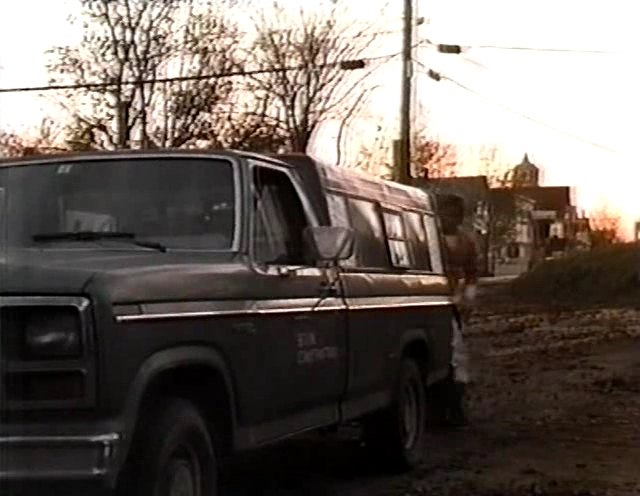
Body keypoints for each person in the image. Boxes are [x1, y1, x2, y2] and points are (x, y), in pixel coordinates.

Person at [437, 194, 478, 427]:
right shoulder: (427, 236)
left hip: (454, 300)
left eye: (456, 214)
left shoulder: (466, 241)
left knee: (458, 354)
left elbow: (472, 272)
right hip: (433, 298)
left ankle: (454, 404)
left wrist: (468, 297)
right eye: (448, 213)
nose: (452, 218)